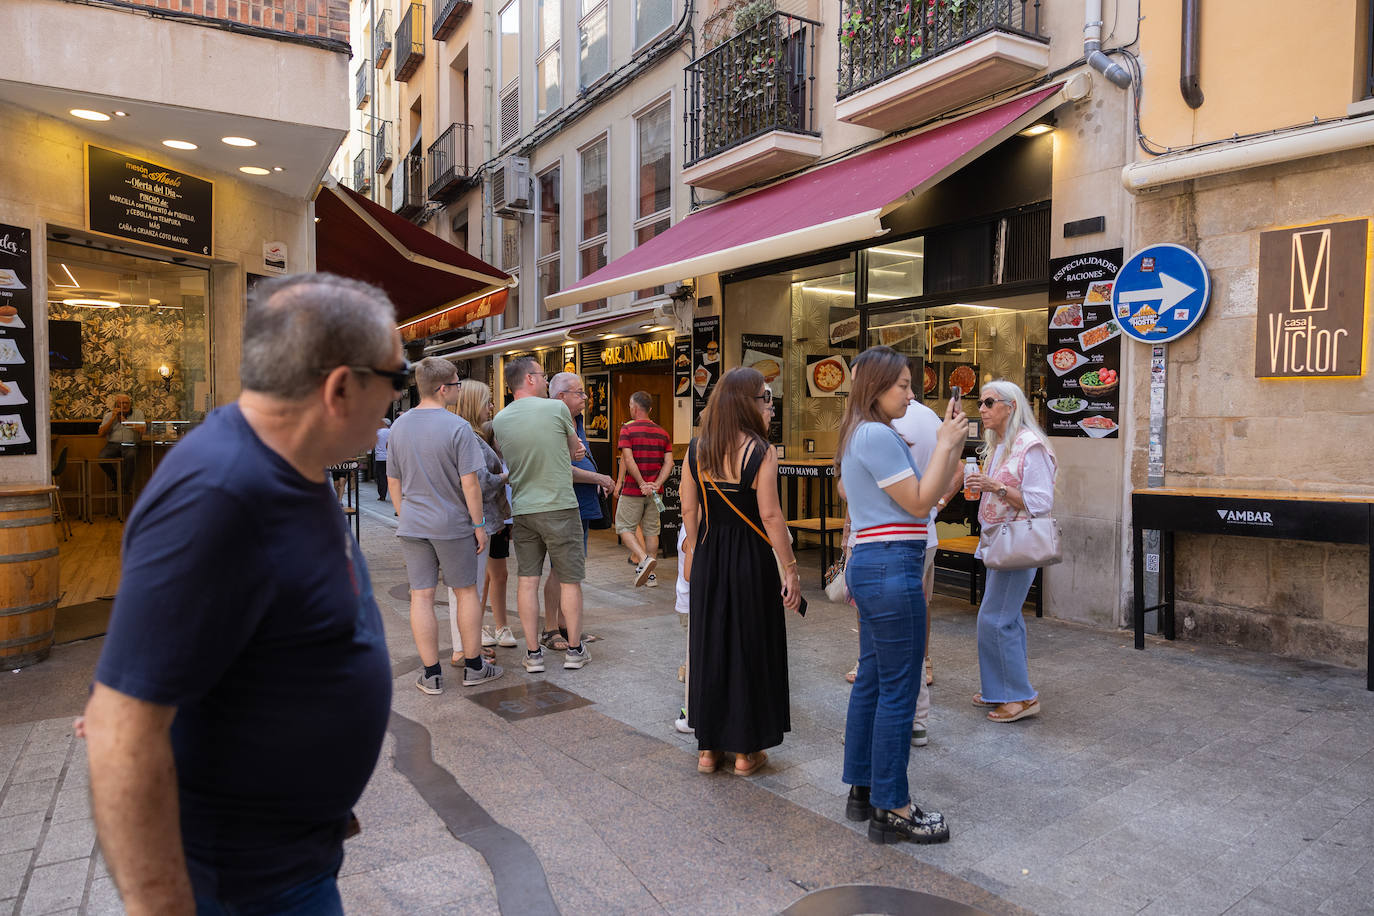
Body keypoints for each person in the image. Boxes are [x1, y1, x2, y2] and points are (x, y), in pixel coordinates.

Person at [82, 273, 401, 913]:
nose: (398, 396)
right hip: (249, 889)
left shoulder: (294, 465)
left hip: (295, 860)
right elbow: (120, 734)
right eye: (396, 376)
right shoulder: (218, 494)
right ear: (341, 387)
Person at [838, 345, 964, 845]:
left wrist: (946, 444)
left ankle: (863, 787)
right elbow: (919, 501)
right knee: (899, 686)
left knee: (873, 677)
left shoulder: (858, 432)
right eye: (903, 386)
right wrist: (949, 443)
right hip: (893, 562)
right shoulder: (875, 434)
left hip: (874, 560)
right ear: (876, 387)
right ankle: (893, 805)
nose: (910, 395)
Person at [680, 368, 800, 777]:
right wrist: (791, 569)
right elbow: (769, 514)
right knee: (751, 645)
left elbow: (688, 510)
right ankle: (747, 753)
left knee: (710, 644)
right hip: (750, 559)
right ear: (748, 402)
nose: (768, 404)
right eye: (764, 397)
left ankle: (708, 750)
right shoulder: (762, 450)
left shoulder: (697, 448)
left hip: (711, 554)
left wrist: (695, 549)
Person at [387, 357, 501, 694]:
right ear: (442, 388)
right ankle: (474, 667)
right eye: (456, 384)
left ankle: (431, 674)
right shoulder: (457, 428)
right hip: (452, 524)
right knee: (465, 593)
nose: (458, 389)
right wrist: (479, 525)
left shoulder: (399, 425)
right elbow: (471, 484)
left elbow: (394, 481)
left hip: (413, 524)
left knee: (420, 597)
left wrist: (403, 513)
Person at [963, 380, 1057, 724]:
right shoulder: (1003, 444)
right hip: (1000, 542)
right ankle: (1001, 688)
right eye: (980, 403)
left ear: (1011, 406)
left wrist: (996, 486)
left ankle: (1020, 696)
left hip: (1017, 543)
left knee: (995, 619)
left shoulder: (1030, 446)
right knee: (1008, 619)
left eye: (989, 402)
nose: (982, 409)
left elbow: (1040, 501)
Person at [491, 357, 591, 672]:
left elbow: (506, 455)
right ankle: (574, 650)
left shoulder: (500, 419)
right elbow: (576, 449)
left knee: (526, 581)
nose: (547, 381)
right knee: (570, 580)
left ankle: (533, 654)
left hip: (523, 509)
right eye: (543, 375)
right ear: (530, 379)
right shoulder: (557, 409)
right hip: (560, 504)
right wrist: (569, 449)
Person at [541, 372, 614, 651]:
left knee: (571, 569)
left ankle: (566, 625)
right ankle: (550, 630)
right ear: (561, 396)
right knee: (559, 568)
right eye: (579, 393)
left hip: (581, 505)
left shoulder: (577, 420)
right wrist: (599, 478)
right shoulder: (552, 422)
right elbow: (558, 468)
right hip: (561, 504)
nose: (586, 398)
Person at [455, 380, 517, 653]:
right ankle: (471, 646)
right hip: (480, 519)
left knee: (489, 577)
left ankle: (475, 641)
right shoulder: (469, 435)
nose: (491, 406)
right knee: (476, 583)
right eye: (487, 401)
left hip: (490, 518)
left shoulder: (478, 433)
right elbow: (480, 481)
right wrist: (505, 477)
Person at [615, 390, 673, 588]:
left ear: (634, 407)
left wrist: (641, 483)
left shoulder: (627, 430)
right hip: (655, 493)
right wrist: (656, 484)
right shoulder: (663, 432)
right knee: (651, 532)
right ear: (650, 408)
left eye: (630, 406)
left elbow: (628, 459)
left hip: (633, 490)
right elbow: (669, 463)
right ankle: (651, 576)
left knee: (623, 527)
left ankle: (642, 559)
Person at [96, 392, 144, 493]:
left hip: (130, 444)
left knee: (131, 456)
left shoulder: (138, 413)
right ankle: (117, 482)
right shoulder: (109, 415)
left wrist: (127, 423)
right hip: (112, 445)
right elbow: (100, 433)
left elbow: (143, 429)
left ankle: (125, 488)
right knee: (102, 458)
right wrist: (112, 419)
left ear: (130, 404)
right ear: (116, 405)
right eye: (121, 403)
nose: (124, 405)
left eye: (126, 403)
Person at [374, 417, 391, 500]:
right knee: (389, 476)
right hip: (390, 457)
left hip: (379, 457)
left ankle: (382, 495)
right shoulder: (392, 431)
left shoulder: (377, 432)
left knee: (380, 476)